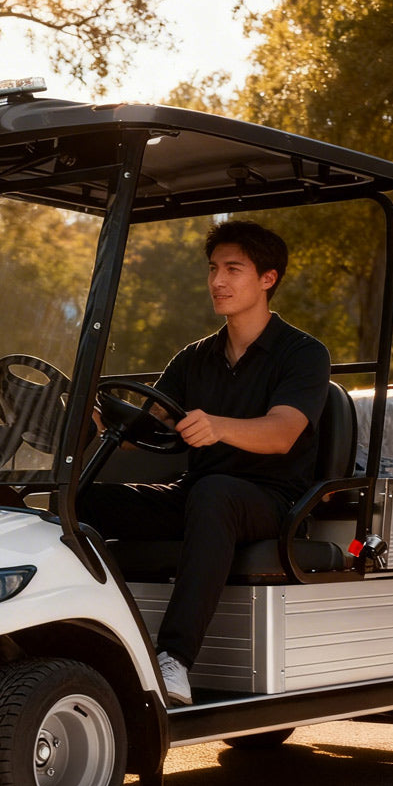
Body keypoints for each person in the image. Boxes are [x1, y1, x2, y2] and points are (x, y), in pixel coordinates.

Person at [80, 220, 331, 705]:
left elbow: (282, 433)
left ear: (267, 278)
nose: (217, 281)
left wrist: (218, 426)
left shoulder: (303, 354)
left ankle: (174, 659)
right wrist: (89, 416)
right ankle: (82, 639)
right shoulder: (194, 357)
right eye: (213, 269)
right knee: (81, 501)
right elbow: (147, 424)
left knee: (214, 493)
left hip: (273, 500)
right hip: (197, 493)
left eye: (233, 269)